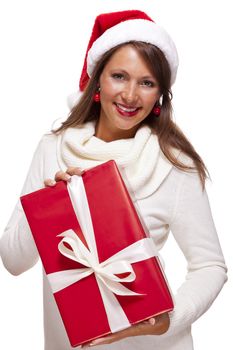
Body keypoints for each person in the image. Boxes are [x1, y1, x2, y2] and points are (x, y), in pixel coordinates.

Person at [0, 9, 228, 350]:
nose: (131, 95)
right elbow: (14, 261)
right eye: (119, 76)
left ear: (159, 95)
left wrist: (170, 318)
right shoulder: (53, 149)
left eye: (147, 82)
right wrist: (48, 207)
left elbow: (210, 266)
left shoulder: (174, 164)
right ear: (98, 80)